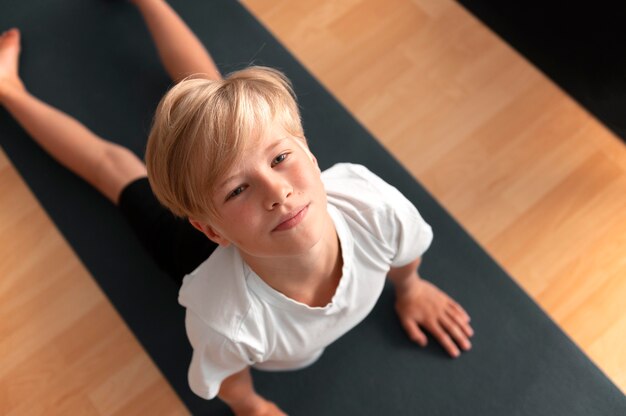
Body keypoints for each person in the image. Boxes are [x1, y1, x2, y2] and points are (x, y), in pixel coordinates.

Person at [0, 1, 474, 415]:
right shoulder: (223, 318)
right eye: (236, 190)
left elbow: (405, 248)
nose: (277, 193)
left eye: (281, 158)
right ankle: (8, 89)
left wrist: (410, 288)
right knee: (112, 169)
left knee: (212, 99)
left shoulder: (373, 205)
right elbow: (226, 377)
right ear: (211, 228)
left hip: (243, 229)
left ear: (309, 154)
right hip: (191, 254)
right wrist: (253, 406)